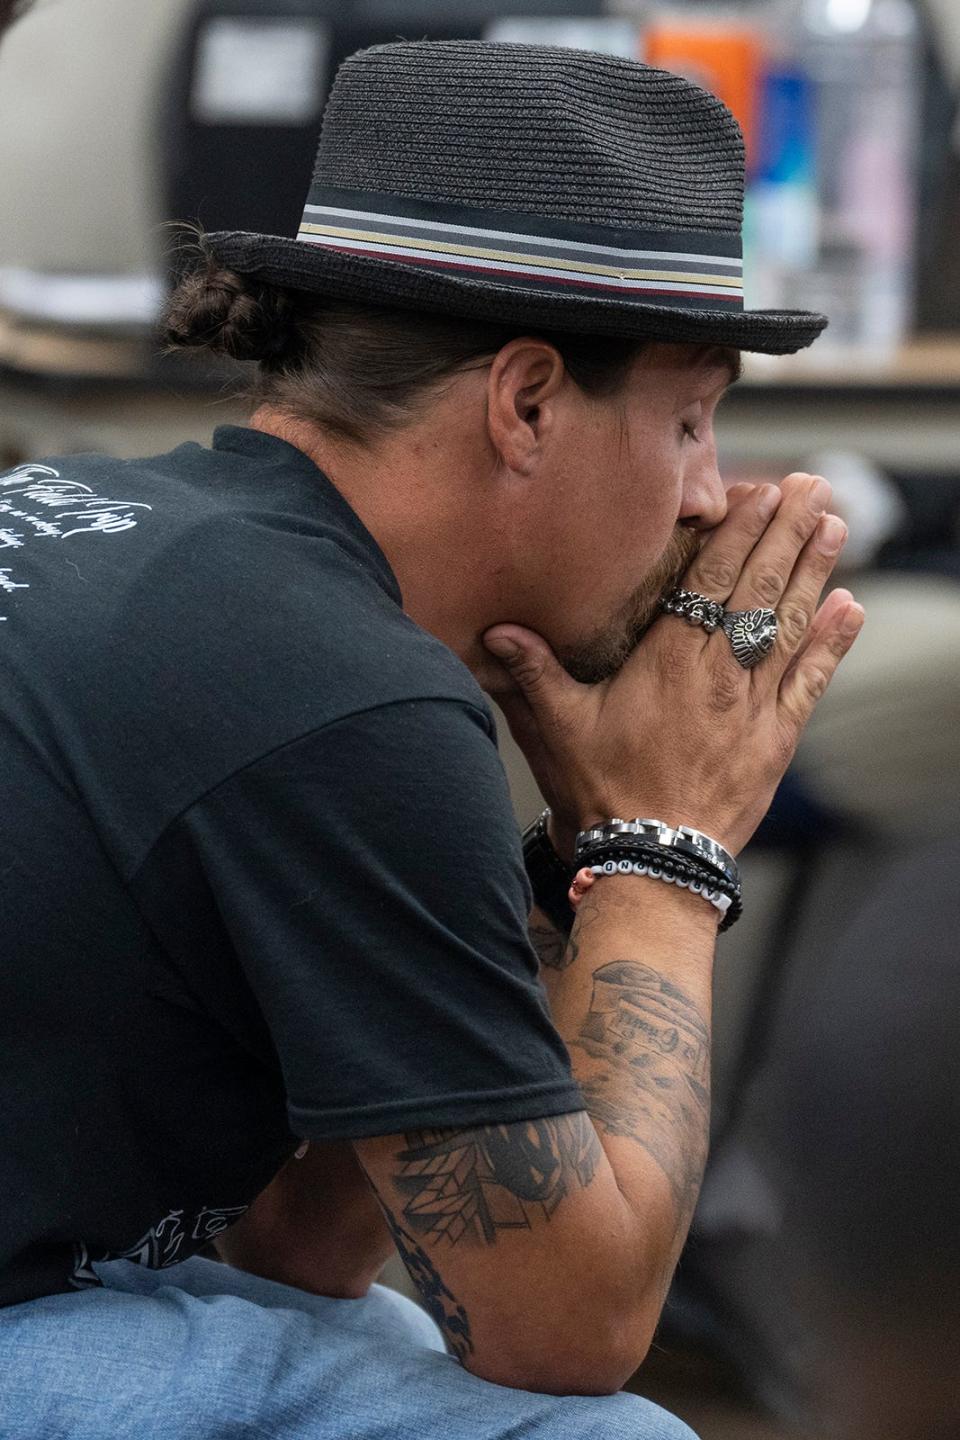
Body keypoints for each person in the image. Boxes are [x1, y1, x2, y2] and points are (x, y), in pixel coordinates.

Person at [0, 39, 862, 1439]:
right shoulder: (346, 688)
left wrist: (570, 857)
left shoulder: (133, 525)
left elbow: (302, 1245)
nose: (712, 495)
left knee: (378, 1325)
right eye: (692, 417)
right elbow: (571, 1331)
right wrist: (667, 850)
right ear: (526, 402)